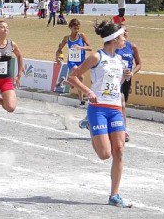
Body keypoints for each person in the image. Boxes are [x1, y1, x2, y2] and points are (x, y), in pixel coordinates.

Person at [68, 20, 133, 208]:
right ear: (113, 38)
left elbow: (114, 85)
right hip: (98, 109)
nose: (124, 39)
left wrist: (124, 77)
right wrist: (88, 91)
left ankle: (115, 195)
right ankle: (90, 125)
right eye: (122, 36)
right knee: (105, 154)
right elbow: (73, 76)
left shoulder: (119, 60)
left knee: (119, 151)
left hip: (115, 110)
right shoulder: (97, 57)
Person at [56, 18, 91, 107]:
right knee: (81, 78)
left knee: (77, 80)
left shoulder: (82, 36)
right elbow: (59, 50)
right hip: (72, 62)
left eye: (78, 28)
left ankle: (64, 83)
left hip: (81, 62)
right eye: (75, 28)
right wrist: (58, 58)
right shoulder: (67, 38)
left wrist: (81, 47)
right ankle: (81, 100)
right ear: (70, 28)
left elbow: (90, 47)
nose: (77, 30)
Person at [115, 25, 142, 142]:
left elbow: (139, 64)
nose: (125, 33)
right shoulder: (114, 46)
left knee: (122, 103)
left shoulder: (132, 46)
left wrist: (132, 73)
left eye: (126, 31)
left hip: (126, 79)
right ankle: (123, 131)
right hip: (115, 79)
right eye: (122, 31)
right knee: (122, 104)